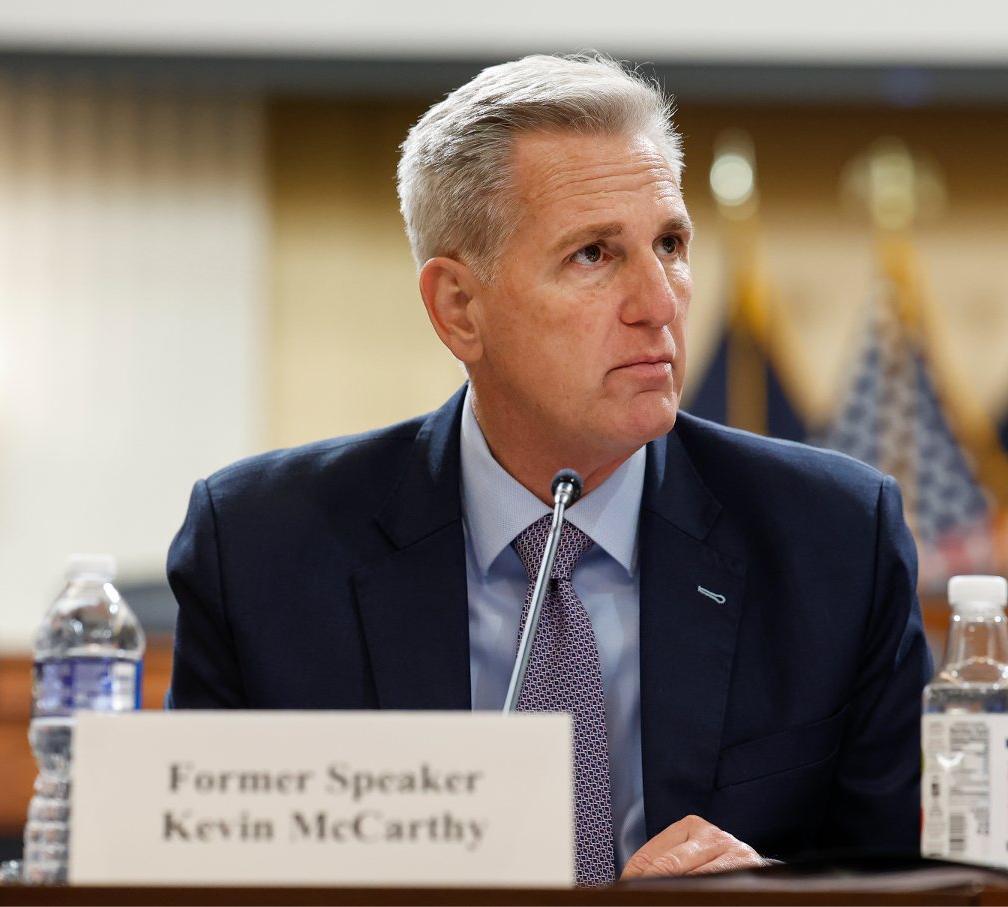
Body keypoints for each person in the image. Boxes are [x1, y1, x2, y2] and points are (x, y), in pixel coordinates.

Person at [167, 52, 932, 885]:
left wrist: (773, 895)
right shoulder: (259, 550)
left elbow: (920, 877)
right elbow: (193, 880)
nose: (661, 301)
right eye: (595, 255)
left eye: (670, 244)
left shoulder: (833, 540)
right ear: (459, 307)